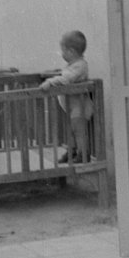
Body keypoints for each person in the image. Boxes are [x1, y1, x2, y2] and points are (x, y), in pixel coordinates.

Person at [39, 30, 94, 163]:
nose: (62, 54)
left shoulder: (80, 66)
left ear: (71, 52)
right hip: (73, 107)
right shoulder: (73, 65)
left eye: (63, 50)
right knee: (71, 130)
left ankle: (83, 154)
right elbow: (66, 73)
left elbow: (67, 78)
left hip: (80, 107)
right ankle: (72, 151)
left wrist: (50, 82)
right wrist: (54, 73)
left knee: (79, 131)